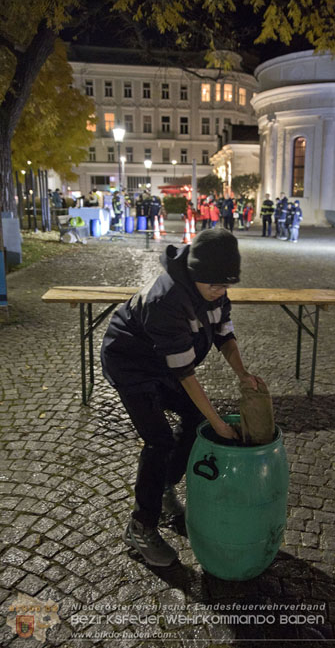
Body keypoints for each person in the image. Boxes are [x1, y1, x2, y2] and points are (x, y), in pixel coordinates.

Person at [100, 229, 262, 566]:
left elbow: (224, 334)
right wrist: (218, 422)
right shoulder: (167, 299)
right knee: (158, 439)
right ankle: (141, 525)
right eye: (216, 285)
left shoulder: (214, 287)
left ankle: (164, 486)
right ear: (196, 273)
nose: (221, 292)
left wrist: (242, 373)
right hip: (131, 362)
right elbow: (185, 373)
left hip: (162, 361)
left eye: (226, 285)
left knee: (196, 420)